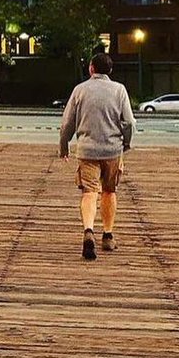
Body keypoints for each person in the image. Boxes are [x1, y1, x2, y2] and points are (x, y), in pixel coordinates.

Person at [59, 52, 135, 261]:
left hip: (87, 150)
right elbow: (129, 123)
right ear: (110, 70)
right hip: (112, 149)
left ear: (91, 68)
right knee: (110, 191)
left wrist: (64, 146)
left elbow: (67, 123)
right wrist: (125, 143)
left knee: (89, 192)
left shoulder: (80, 90)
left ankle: (88, 230)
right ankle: (108, 235)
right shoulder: (119, 90)